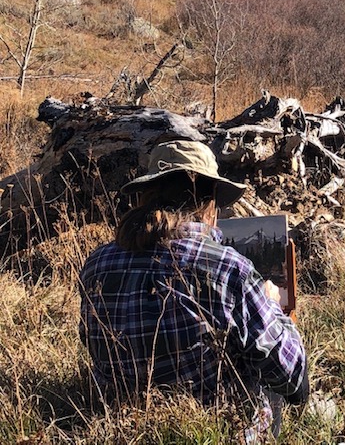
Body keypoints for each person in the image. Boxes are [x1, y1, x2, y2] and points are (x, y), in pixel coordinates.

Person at [79, 139, 309, 441]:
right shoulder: (228, 267)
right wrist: (272, 307)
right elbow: (293, 380)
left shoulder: (97, 263)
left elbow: (91, 343)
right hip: (212, 432)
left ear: (145, 197)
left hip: (120, 428)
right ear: (210, 203)